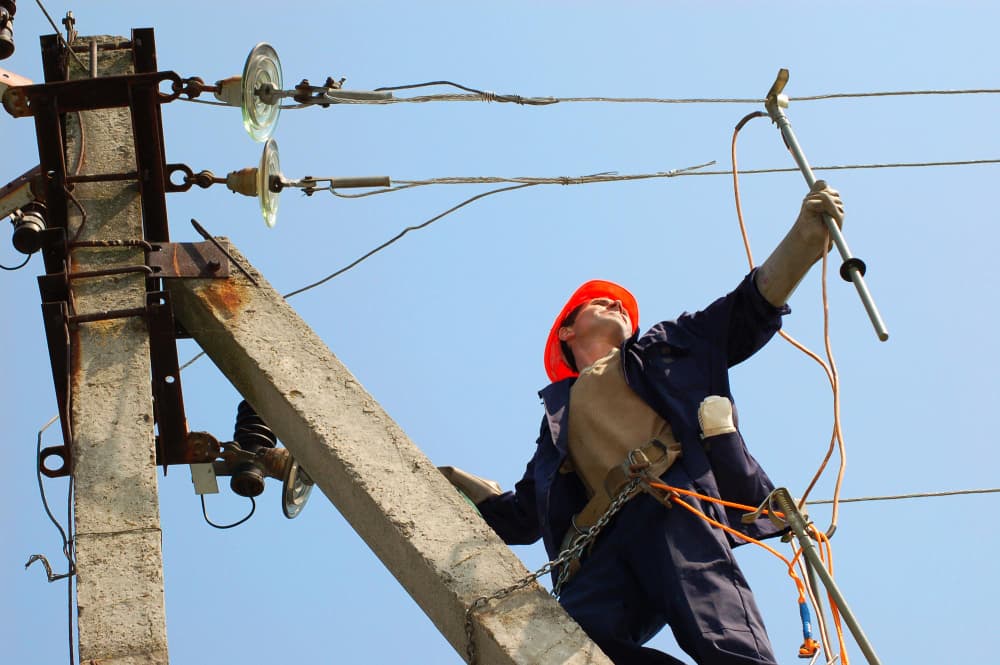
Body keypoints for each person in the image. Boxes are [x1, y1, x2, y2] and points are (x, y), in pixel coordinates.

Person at [443, 181, 845, 665]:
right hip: (600, 548)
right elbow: (524, 513)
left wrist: (803, 239)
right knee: (568, 645)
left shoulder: (663, 349)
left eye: (623, 307)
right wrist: (449, 486)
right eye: (599, 302)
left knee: (722, 640)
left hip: (674, 503)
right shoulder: (558, 416)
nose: (617, 305)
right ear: (567, 330)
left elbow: (745, 309)